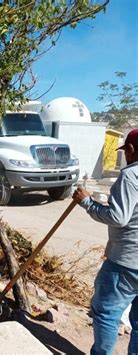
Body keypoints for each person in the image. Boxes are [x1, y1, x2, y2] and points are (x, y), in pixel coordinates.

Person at [72, 129, 138, 355]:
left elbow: (119, 217)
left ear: (130, 149)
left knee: (106, 312)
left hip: (126, 262)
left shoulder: (131, 175)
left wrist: (87, 202)